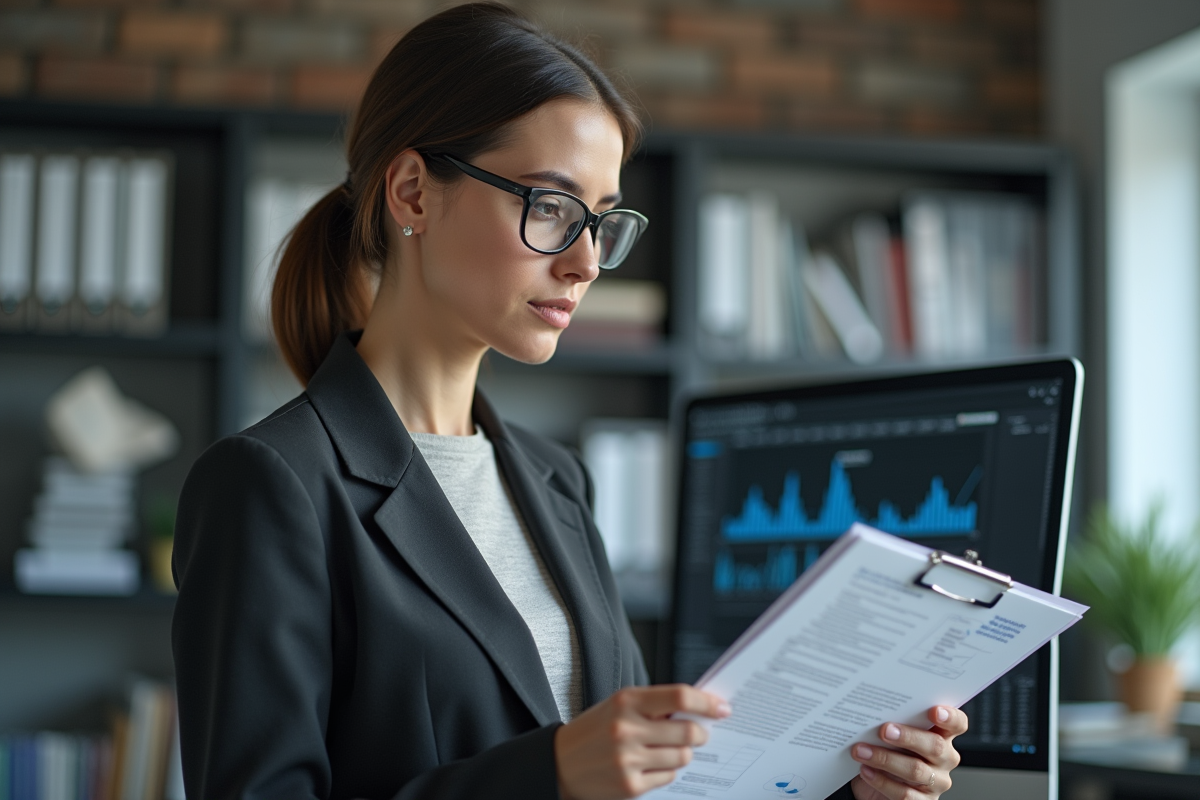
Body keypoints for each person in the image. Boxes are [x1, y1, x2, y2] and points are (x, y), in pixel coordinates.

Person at [171, 4, 968, 799]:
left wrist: (855, 786)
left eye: (602, 220)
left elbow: (657, 784)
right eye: (550, 207)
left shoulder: (556, 481)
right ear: (412, 192)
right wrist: (544, 775)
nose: (587, 262)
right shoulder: (271, 484)